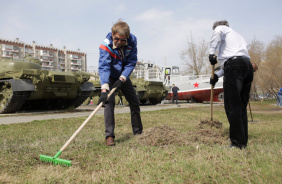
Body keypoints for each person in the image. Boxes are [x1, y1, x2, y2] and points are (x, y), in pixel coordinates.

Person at [209, 20, 254, 149]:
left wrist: (211, 53)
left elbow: (232, 62)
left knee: (232, 106)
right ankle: (242, 140)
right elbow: (236, 59)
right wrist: (217, 76)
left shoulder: (222, 29)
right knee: (240, 107)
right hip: (246, 67)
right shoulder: (238, 37)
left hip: (234, 67)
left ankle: (237, 143)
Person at [98, 19, 143, 146]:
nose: (119, 42)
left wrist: (122, 78)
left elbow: (131, 61)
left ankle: (138, 132)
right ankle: (109, 136)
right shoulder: (105, 45)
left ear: (127, 37)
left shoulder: (132, 41)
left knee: (134, 102)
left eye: (123, 40)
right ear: (113, 34)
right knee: (109, 103)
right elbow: (104, 67)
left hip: (123, 75)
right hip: (110, 76)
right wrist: (104, 89)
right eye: (116, 39)